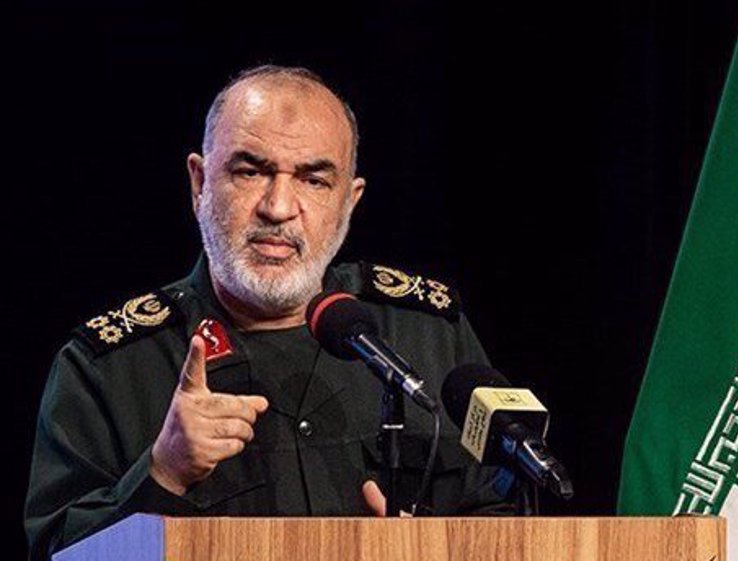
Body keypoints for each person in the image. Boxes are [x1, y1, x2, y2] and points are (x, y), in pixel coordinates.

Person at [24, 65, 511, 561]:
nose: (278, 207)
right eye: (250, 171)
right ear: (199, 184)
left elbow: (508, 521)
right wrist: (163, 474)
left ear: (349, 200)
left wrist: (429, 549)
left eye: (313, 179)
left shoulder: (429, 334)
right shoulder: (108, 367)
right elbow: (57, 551)